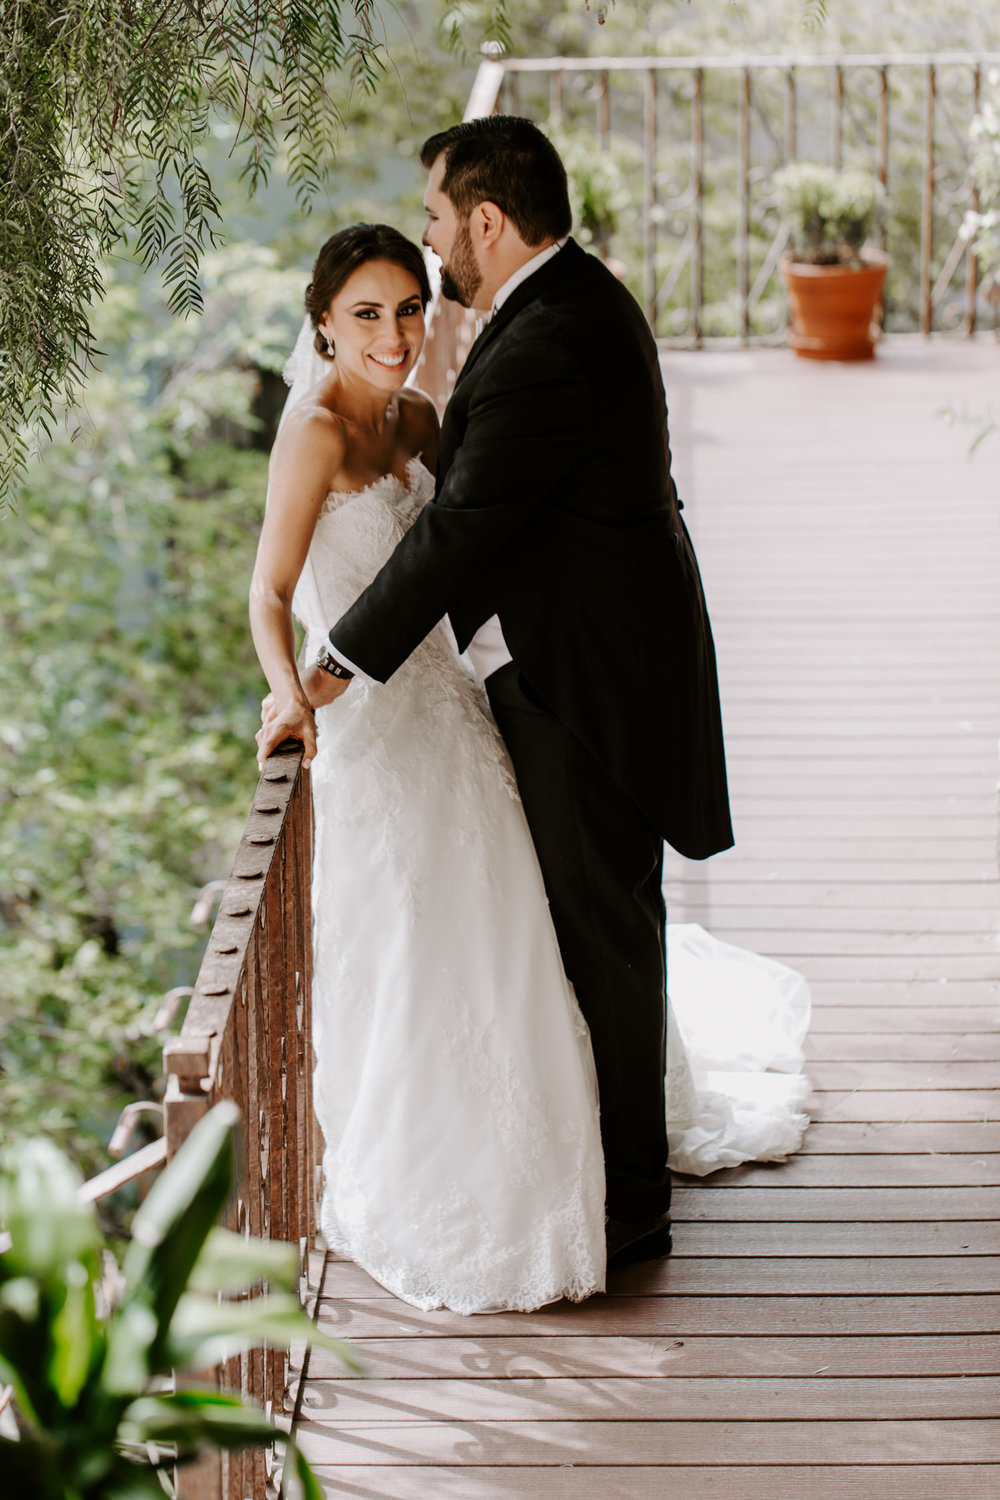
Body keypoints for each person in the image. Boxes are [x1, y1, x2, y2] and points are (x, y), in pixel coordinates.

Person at [256, 117, 736, 1276]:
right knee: (561, 928)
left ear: (483, 219)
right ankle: (591, 1168)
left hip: (587, 678)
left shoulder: (539, 336)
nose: (428, 257)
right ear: (326, 326)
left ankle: (626, 1212)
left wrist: (328, 669)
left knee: (603, 931)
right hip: (563, 663)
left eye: (433, 223)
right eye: (369, 308)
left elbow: (460, 531)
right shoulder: (560, 307)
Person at [249, 223, 607, 1313]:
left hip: (448, 716)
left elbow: (464, 556)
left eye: (409, 308)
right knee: (402, 949)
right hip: (362, 736)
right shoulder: (312, 431)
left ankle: (532, 1182)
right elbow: (268, 593)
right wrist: (287, 694)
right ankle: (414, 1174)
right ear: (323, 324)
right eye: (367, 314)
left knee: (497, 939)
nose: (395, 333)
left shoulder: (419, 418)